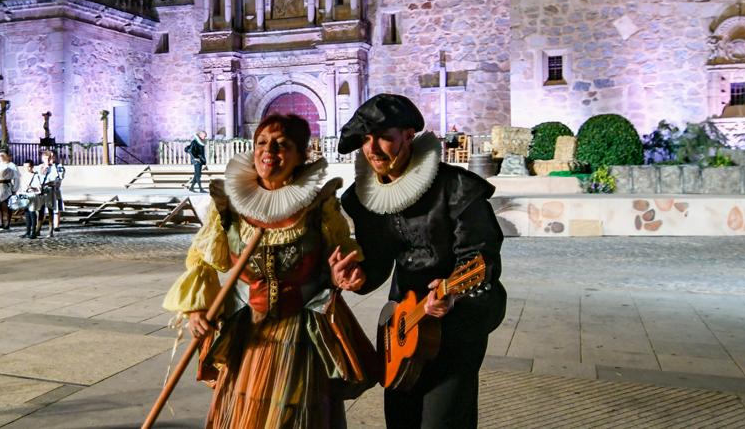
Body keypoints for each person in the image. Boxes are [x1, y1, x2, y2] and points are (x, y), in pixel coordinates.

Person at [162, 113, 375, 427]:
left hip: (301, 333)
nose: (269, 151)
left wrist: (341, 275)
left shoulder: (318, 207)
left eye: (282, 144)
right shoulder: (230, 205)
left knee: (294, 415)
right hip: (247, 332)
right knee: (244, 414)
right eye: (262, 142)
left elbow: (339, 256)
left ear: (301, 155)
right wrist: (197, 311)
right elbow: (203, 260)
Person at [337, 94, 506, 429]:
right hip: (403, 320)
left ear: (408, 135)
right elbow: (379, 261)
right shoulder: (363, 198)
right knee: (400, 418)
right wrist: (358, 277)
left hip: (458, 317)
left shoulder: (456, 187)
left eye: (384, 136)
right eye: (365, 139)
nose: (372, 148)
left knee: (444, 419)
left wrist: (452, 293)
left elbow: (481, 258)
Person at [38, 148, 65, 235]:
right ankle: (38, 229)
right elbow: (39, 176)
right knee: (41, 210)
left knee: (53, 210)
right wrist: (45, 166)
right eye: (45, 158)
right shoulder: (40, 166)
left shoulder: (57, 167)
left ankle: (52, 228)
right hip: (42, 191)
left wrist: (52, 183)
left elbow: (58, 179)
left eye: (49, 157)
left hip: (53, 191)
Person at [0, 149, 18, 232]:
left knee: (7, 205)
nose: (0, 158)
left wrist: (14, 189)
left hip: (6, 186)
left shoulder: (12, 166)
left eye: (2, 156)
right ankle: (0, 222)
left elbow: (16, 178)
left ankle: (7, 223)